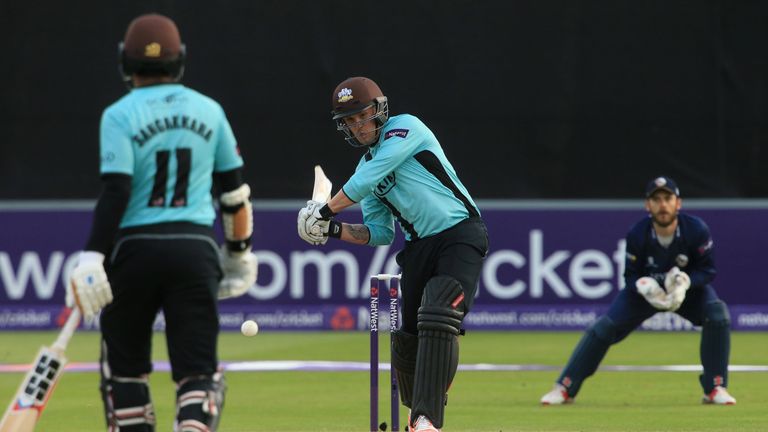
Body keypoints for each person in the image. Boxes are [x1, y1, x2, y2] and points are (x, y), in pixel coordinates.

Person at [66, 13, 257, 431]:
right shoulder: (210, 110)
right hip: (194, 251)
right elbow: (233, 195)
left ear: (125, 61)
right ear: (179, 59)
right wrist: (239, 254)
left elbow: (116, 192)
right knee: (197, 374)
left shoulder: (117, 115)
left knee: (126, 373)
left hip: (133, 252)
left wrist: (93, 255)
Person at [297, 77, 489, 432]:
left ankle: (427, 419)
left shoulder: (406, 129)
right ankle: (417, 414)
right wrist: (333, 230)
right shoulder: (364, 173)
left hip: (459, 232)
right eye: (350, 121)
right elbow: (380, 233)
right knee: (409, 339)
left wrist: (324, 212)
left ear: (379, 110)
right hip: (418, 249)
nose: (358, 126)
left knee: (439, 305)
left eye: (363, 115)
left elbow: (367, 179)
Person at [540, 176, 736, 406]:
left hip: (686, 293)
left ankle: (715, 388)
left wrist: (685, 282)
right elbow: (630, 275)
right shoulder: (638, 233)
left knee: (717, 314)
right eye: (656, 200)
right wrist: (644, 286)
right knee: (604, 328)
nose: (662, 205)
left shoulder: (696, 229)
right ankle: (564, 387)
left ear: (678, 203)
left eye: (667, 199)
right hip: (647, 295)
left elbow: (707, 271)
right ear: (647, 205)